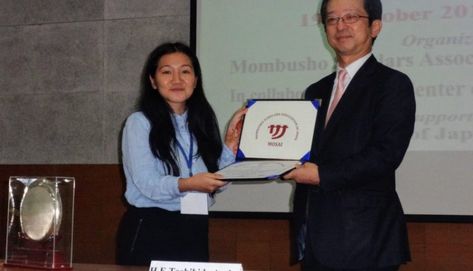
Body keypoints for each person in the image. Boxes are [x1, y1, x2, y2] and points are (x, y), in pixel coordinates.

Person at [283, 0, 415, 270]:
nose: (340, 25)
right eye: (332, 19)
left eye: (351, 17)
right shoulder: (315, 91)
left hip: (366, 241)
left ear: (375, 26)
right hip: (315, 238)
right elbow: (301, 151)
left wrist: (321, 175)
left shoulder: (393, 84)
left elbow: (385, 155)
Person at [116, 42, 246, 265]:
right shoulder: (139, 123)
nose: (177, 80)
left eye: (185, 71)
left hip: (195, 226)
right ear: (153, 81)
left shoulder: (202, 121)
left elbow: (218, 182)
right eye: (166, 72)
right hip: (151, 227)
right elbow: (147, 183)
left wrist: (230, 144)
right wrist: (189, 184)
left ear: (195, 80)